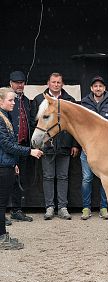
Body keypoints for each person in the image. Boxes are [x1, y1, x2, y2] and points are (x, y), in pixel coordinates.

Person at [30, 73, 79, 220]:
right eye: (53, 82)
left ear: (62, 84)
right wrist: (38, 144)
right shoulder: (39, 100)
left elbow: (75, 124)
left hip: (65, 144)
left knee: (63, 177)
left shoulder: (69, 101)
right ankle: (49, 207)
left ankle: (63, 207)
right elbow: (35, 123)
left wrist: (75, 144)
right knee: (48, 176)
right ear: (48, 83)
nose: (56, 84)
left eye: (59, 82)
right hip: (46, 145)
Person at [0, 87, 43, 250]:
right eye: (10, 100)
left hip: (6, 165)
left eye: (14, 100)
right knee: (1, 205)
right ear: (1, 101)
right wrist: (29, 151)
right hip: (2, 168)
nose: (13, 103)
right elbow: (7, 145)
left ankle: (3, 235)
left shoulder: (5, 116)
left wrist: (14, 163)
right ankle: (2, 238)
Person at [80, 76, 108, 220]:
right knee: (87, 179)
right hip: (87, 150)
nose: (98, 88)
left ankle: (104, 208)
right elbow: (78, 127)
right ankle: (86, 208)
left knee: (106, 179)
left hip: (107, 151)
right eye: (95, 86)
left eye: (100, 86)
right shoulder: (84, 104)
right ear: (91, 88)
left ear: (104, 88)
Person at [7, 71, 33, 224]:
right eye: (17, 82)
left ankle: (16, 210)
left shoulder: (27, 101)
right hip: (9, 146)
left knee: (19, 179)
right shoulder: (6, 101)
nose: (20, 85)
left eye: (22, 82)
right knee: (5, 178)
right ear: (10, 83)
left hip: (23, 145)